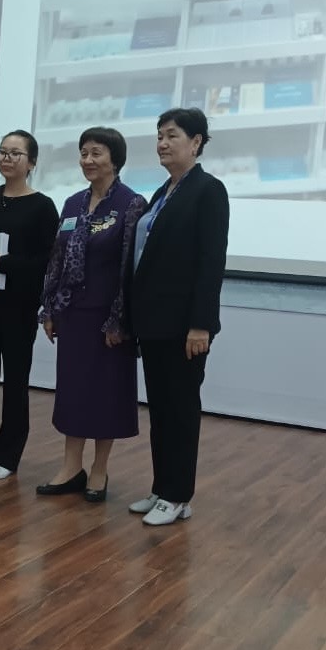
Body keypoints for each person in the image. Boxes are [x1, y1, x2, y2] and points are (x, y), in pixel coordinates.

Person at [126, 107, 229, 526]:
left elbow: (210, 262)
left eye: (171, 135)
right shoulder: (162, 192)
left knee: (181, 409)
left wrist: (201, 324)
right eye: (159, 136)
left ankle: (178, 495)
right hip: (153, 322)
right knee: (161, 409)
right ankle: (161, 488)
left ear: (196, 142)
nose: (162, 143)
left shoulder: (208, 190)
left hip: (185, 326)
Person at [37, 127, 146, 502]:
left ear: (115, 159)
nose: (88, 160)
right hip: (73, 316)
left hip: (107, 320)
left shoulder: (131, 204)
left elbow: (130, 268)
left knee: (105, 394)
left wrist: (120, 319)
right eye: (83, 153)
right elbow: (57, 259)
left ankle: (99, 469)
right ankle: (71, 467)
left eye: (96, 153)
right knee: (73, 392)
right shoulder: (72, 204)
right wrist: (49, 308)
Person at [0, 132, 59, 480]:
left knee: (16, 381)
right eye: (2, 152)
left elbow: (47, 260)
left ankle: (7, 454)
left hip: (18, 306)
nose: (6, 158)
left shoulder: (42, 206)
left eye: (15, 153)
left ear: (31, 162)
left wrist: (6, 264)